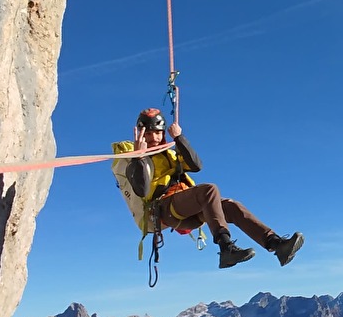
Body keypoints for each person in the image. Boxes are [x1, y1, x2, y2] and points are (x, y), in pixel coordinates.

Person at [124, 107, 304, 269]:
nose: (154, 138)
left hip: (189, 209)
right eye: (148, 133)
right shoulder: (134, 159)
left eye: (157, 132)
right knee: (209, 190)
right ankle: (226, 248)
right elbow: (141, 189)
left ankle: (276, 244)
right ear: (141, 134)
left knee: (231, 207)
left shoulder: (170, 154)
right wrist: (139, 156)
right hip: (165, 209)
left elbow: (196, 166)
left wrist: (179, 138)